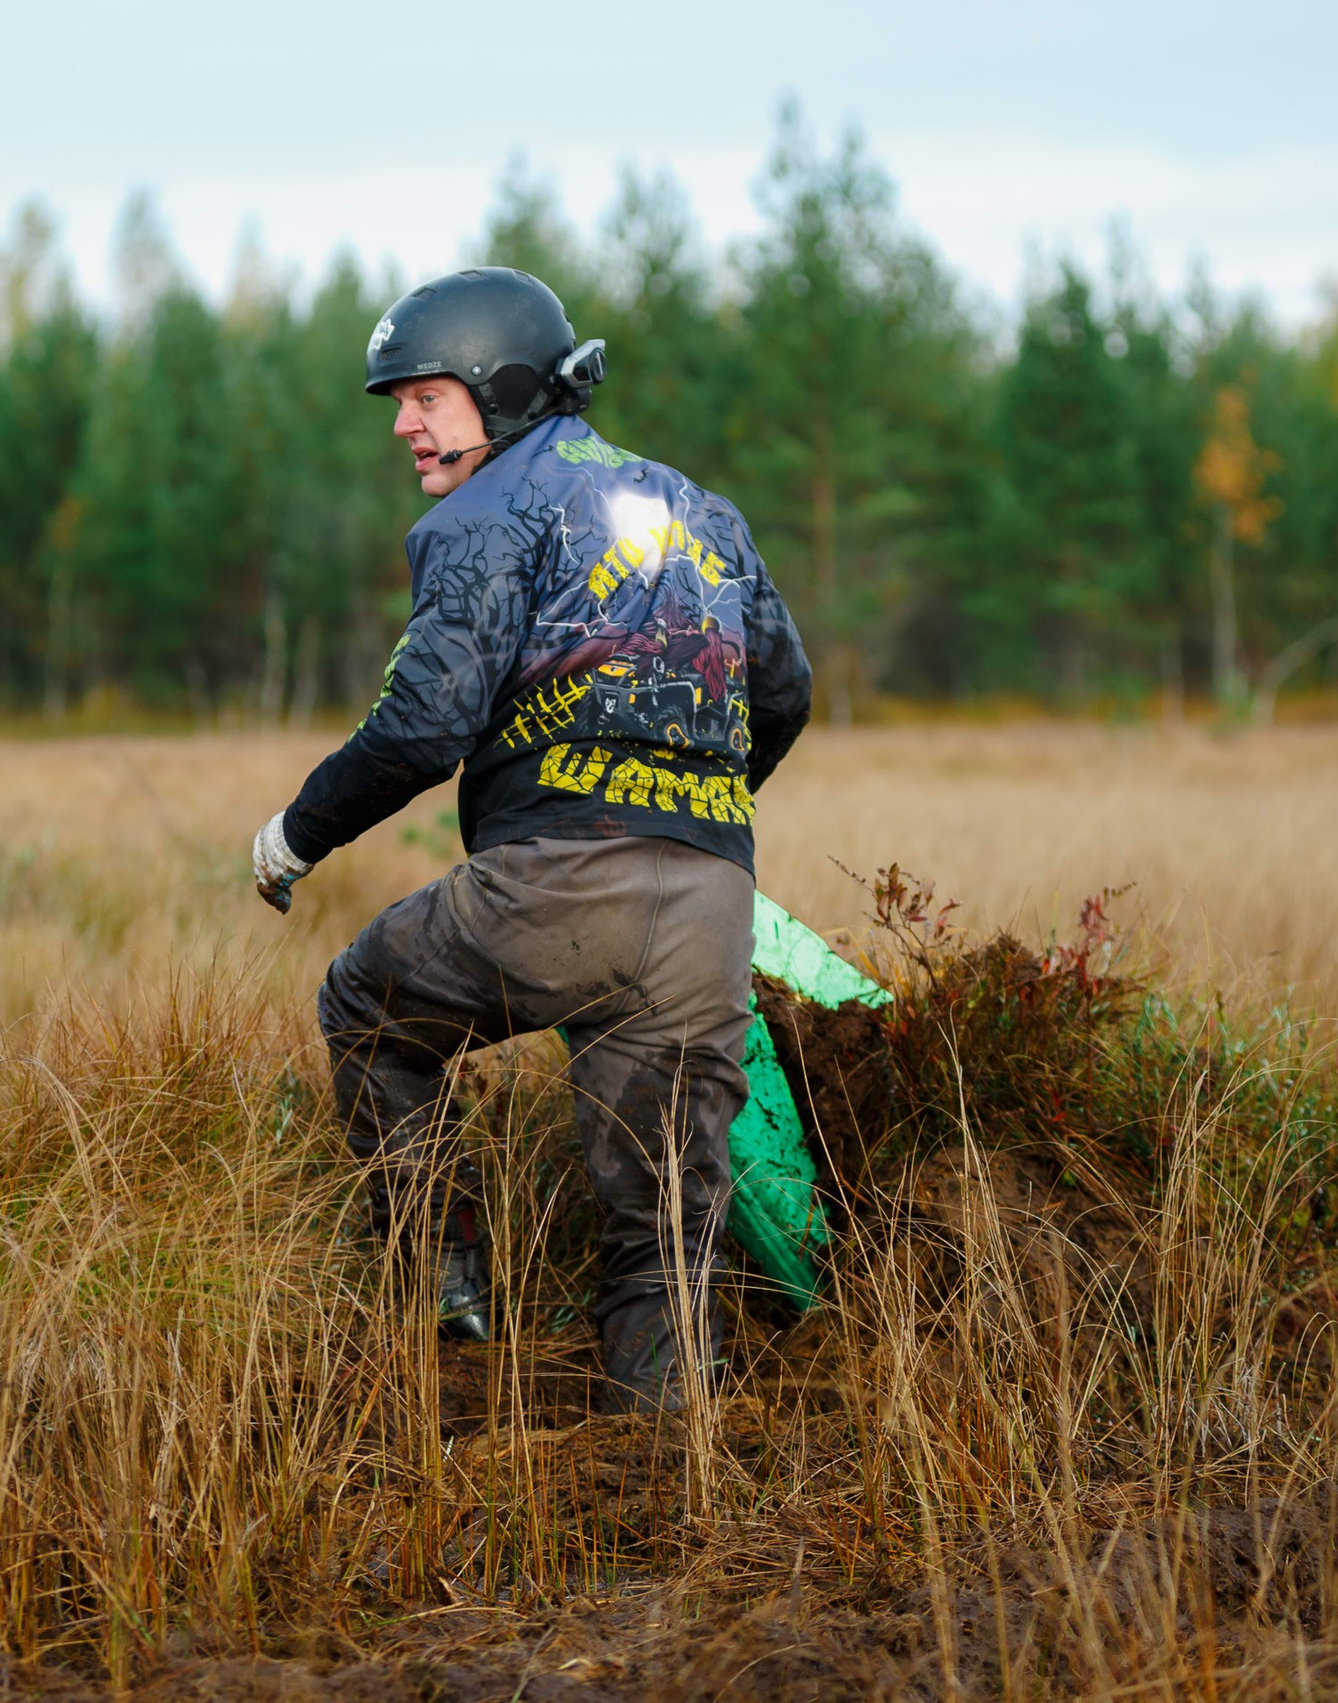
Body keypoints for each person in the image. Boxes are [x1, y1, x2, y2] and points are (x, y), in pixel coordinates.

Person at [250, 267, 813, 1412]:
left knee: (367, 1009)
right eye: (397, 403)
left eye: (424, 397)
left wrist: (294, 834)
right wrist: (689, 803)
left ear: (498, 390)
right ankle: (671, 1488)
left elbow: (423, 724)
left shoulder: (482, 512)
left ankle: (443, 1284)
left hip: (554, 885)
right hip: (711, 899)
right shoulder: (700, 510)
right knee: (660, 1230)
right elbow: (785, 691)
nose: (404, 424)